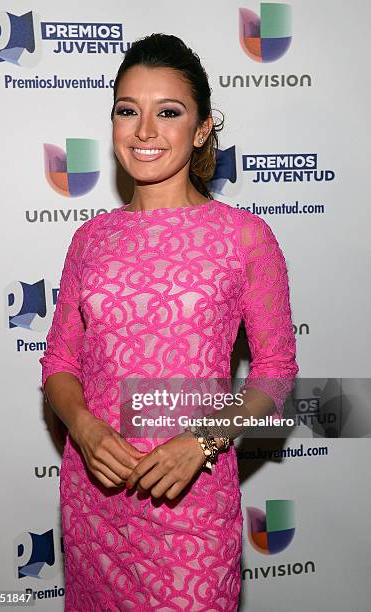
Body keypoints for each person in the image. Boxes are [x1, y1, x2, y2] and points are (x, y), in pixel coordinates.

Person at [40, 33, 299, 612]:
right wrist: (82, 427)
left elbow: (276, 373)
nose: (145, 131)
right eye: (128, 111)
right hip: (96, 503)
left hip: (194, 502)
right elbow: (58, 363)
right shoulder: (91, 239)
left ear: (203, 128)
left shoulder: (243, 237)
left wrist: (202, 442)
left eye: (169, 112)